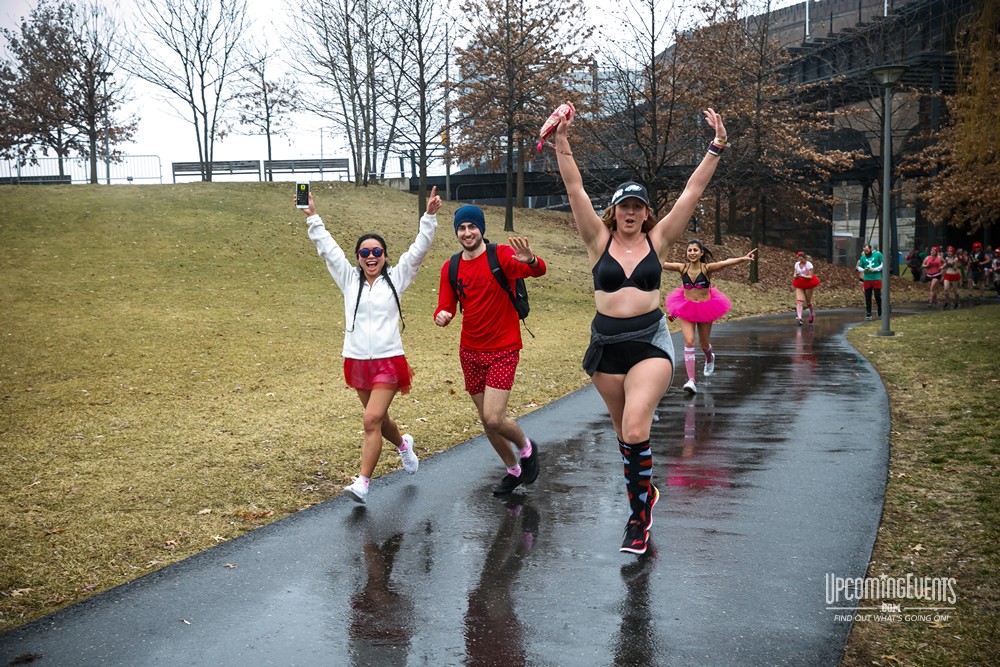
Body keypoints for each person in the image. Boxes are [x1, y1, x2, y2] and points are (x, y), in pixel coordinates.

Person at [549, 101, 728, 555]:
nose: (630, 212)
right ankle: (645, 490)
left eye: (638, 206)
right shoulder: (597, 239)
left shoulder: (659, 239)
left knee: (635, 429)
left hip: (649, 342)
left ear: (647, 212)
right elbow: (575, 189)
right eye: (624, 206)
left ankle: (638, 520)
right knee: (624, 440)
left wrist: (716, 146)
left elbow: (691, 191)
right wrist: (562, 140)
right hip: (606, 347)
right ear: (614, 210)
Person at [300, 187, 440, 504]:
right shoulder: (349, 280)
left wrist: (429, 217)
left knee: (370, 420)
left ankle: (363, 482)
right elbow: (328, 250)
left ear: (385, 256)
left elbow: (418, 251)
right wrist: (313, 218)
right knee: (380, 420)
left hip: (389, 362)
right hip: (358, 361)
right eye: (365, 253)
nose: (371, 256)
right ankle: (404, 445)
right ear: (359, 258)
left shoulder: (397, 278)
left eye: (377, 251)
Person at [433, 205, 545, 496]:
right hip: (469, 351)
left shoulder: (502, 255)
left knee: (495, 418)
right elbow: (446, 305)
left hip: (503, 348)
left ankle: (526, 447)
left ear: (481, 229)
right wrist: (441, 315)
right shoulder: (452, 266)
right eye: (461, 228)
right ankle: (513, 469)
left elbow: (538, 270)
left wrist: (530, 259)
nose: (467, 233)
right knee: (486, 420)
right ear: (456, 232)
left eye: (472, 227)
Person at [663, 240, 756, 393]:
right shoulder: (682, 268)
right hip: (686, 307)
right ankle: (691, 381)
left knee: (704, 344)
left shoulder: (707, 269)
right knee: (689, 341)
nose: (692, 253)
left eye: (695, 250)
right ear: (686, 253)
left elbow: (725, 263)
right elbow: (662, 264)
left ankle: (709, 357)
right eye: (689, 250)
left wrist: (743, 259)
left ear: (701, 253)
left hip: (706, 308)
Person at [791, 251, 820, 325]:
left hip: (808, 283)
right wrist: (796, 275)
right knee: (799, 301)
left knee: (808, 302)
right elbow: (794, 275)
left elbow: (810, 276)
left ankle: (812, 313)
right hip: (799, 283)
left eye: (802, 259)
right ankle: (800, 318)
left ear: (805, 258)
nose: (800, 261)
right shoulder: (797, 264)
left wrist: (802, 276)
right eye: (799, 259)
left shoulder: (809, 265)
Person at [856, 243, 883, 320]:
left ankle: (880, 308)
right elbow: (859, 267)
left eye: (867, 250)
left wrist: (876, 269)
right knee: (868, 296)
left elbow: (882, 264)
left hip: (876, 278)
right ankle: (868, 313)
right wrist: (863, 269)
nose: (866, 252)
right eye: (864, 251)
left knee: (877, 295)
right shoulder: (863, 258)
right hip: (867, 279)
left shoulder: (878, 254)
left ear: (870, 249)